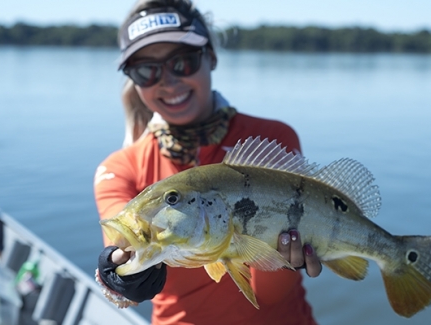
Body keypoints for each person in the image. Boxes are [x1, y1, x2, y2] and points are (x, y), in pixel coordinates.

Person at [94, 1, 322, 324]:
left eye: (183, 62)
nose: (168, 82)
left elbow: (270, 295)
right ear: (133, 78)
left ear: (210, 57)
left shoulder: (271, 139)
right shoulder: (120, 168)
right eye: (147, 70)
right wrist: (119, 275)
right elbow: (120, 250)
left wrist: (284, 261)